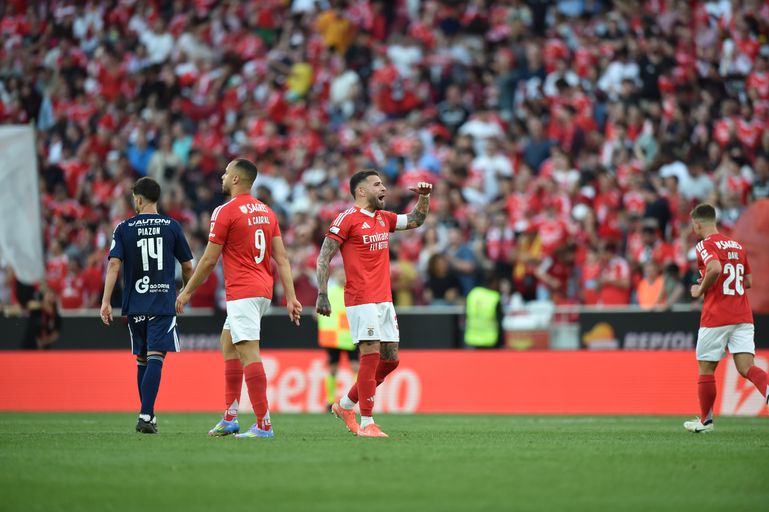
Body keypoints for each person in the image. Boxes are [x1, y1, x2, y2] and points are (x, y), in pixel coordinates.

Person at [175, 159, 302, 439]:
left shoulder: (225, 211)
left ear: (235, 179)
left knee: (248, 351)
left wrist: (186, 291)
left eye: (226, 172)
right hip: (263, 290)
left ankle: (264, 424)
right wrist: (290, 297)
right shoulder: (267, 212)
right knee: (228, 342)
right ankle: (230, 417)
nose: (222, 175)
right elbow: (280, 257)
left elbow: (209, 260)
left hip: (243, 291)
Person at [316, 170, 432, 437]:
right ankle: (367, 422)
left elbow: (416, 220)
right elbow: (324, 257)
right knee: (369, 357)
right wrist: (322, 294)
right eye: (377, 184)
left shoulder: (384, 218)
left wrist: (424, 198)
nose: (384, 189)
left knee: (390, 361)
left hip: (384, 300)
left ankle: (345, 405)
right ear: (361, 191)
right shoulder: (347, 219)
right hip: (360, 299)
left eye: (383, 184)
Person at [100, 177, 194, 434]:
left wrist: (106, 301)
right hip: (163, 301)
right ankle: (146, 414)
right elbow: (187, 265)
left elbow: (114, 264)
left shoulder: (124, 228)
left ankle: (146, 414)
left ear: (139, 199)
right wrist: (186, 292)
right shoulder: (172, 226)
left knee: (143, 359)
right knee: (155, 357)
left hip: (135, 304)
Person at [684, 203, 768, 433]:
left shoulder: (705, 245)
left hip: (717, 316)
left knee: (706, 368)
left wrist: (700, 289)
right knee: (747, 367)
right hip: (742, 315)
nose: (693, 228)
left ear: (698, 223)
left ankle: (706, 421)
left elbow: (714, 268)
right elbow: (748, 281)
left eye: (693, 224)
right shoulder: (737, 245)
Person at [317, 266, 359, 411]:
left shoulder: (352, 292)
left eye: (344, 274)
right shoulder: (329, 292)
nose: (342, 276)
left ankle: (353, 401)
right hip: (333, 337)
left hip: (349, 336)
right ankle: (330, 402)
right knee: (333, 369)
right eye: (339, 274)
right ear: (335, 276)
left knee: (355, 368)